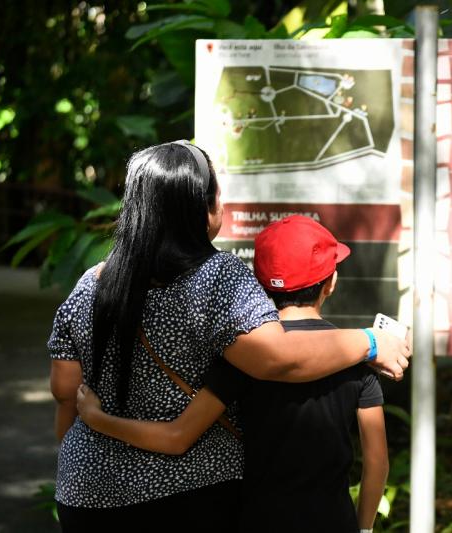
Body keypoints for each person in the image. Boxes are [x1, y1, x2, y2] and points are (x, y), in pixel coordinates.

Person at [49, 141, 409, 531]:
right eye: (217, 193)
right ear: (201, 208)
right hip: (185, 496)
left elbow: (65, 388)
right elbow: (278, 358)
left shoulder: (89, 285)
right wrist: (372, 341)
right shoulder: (217, 277)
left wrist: (97, 431)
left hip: (84, 493)